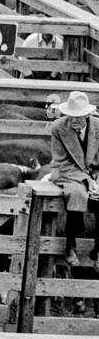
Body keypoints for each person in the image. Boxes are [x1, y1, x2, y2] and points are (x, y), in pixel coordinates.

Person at [46, 91, 99, 266]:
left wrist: (95, 180)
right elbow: (61, 161)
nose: (73, 120)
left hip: (94, 172)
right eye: (71, 116)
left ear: (87, 115)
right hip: (67, 172)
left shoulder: (98, 127)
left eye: (78, 117)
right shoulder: (58, 128)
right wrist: (86, 180)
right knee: (77, 194)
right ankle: (70, 244)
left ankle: (97, 249)